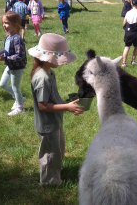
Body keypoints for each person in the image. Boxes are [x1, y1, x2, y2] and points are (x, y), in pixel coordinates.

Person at [28, 33, 84, 186]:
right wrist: (67, 107)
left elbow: (51, 98)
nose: (61, 62)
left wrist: (67, 103)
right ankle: (49, 182)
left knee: (57, 149)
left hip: (55, 121)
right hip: (47, 125)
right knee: (50, 154)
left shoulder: (49, 73)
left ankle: (56, 172)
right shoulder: (42, 78)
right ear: (50, 58)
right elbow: (42, 105)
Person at [0, 11, 27, 116]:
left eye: (7, 23)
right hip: (10, 65)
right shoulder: (8, 37)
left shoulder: (17, 39)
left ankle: (20, 107)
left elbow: (19, 55)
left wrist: (6, 58)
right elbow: (8, 50)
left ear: (15, 24)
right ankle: (20, 98)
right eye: (3, 23)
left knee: (15, 87)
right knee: (2, 84)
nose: (4, 25)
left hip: (17, 67)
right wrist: (0, 54)